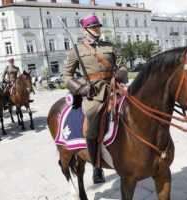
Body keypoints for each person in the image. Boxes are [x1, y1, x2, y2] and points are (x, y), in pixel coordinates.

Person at [63, 14, 128, 184]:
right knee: (92, 121)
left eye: (98, 27)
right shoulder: (77, 50)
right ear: (85, 30)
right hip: (93, 94)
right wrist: (81, 88)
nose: (97, 30)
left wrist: (121, 74)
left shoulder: (109, 46)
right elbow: (66, 76)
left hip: (114, 88)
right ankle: (96, 165)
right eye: (93, 27)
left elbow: (121, 65)